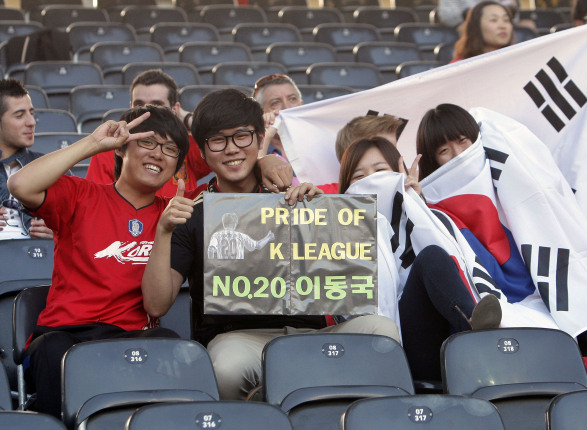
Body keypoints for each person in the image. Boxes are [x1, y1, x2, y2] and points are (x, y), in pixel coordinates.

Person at [141, 89, 401, 400]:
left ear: (259, 137)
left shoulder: (296, 198)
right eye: (217, 141)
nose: (231, 149)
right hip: (239, 339)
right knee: (226, 366)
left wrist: (321, 217)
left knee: (381, 331)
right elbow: (156, 305)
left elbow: (339, 280)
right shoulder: (192, 213)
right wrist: (164, 231)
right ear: (202, 149)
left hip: (313, 333)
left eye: (242, 137)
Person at [416, 103, 587, 387]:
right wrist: (417, 201)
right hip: (511, 304)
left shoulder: (514, 169)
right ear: (433, 161)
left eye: (463, 141)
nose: (459, 155)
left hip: (569, 281)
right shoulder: (430, 206)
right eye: (444, 151)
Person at [7, 105, 188, 416]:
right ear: (121, 149)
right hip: (66, 333)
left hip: (132, 336)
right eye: (147, 142)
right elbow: (20, 185)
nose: (158, 154)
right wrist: (92, 143)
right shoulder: (81, 194)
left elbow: (156, 306)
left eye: (170, 148)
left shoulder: (174, 215)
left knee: (168, 342)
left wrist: (265, 161)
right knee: (52, 351)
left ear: (178, 166)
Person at [338, 136, 501, 382]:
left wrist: (417, 206)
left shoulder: (435, 220)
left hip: (439, 342)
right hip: (384, 354)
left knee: (432, 256)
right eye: (359, 177)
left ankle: (475, 326)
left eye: (381, 171)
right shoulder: (336, 233)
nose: (371, 180)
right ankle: (482, 341)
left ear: (399, 175)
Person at [85, 69, 211, 198]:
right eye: (139, 105)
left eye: (157, 105)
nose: (147, 113)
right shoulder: (109, 149)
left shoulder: (186, 146)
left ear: (175, 109)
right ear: (130, 107)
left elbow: (223, 135)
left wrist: (185, 117)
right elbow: (99, 202)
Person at [0, 78, 53, 240]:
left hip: (40, 259)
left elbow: (82, 225)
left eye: (31, 113)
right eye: (19, 115)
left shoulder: (48, 167)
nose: (31, 122)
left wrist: (59, 231)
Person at [252, 74, 303, 160]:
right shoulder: (249, 146)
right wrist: (266, 136)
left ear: (302, 105)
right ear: (260, 113)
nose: (286, 108)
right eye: (275, 103)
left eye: (292, 99)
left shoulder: (318, 142)